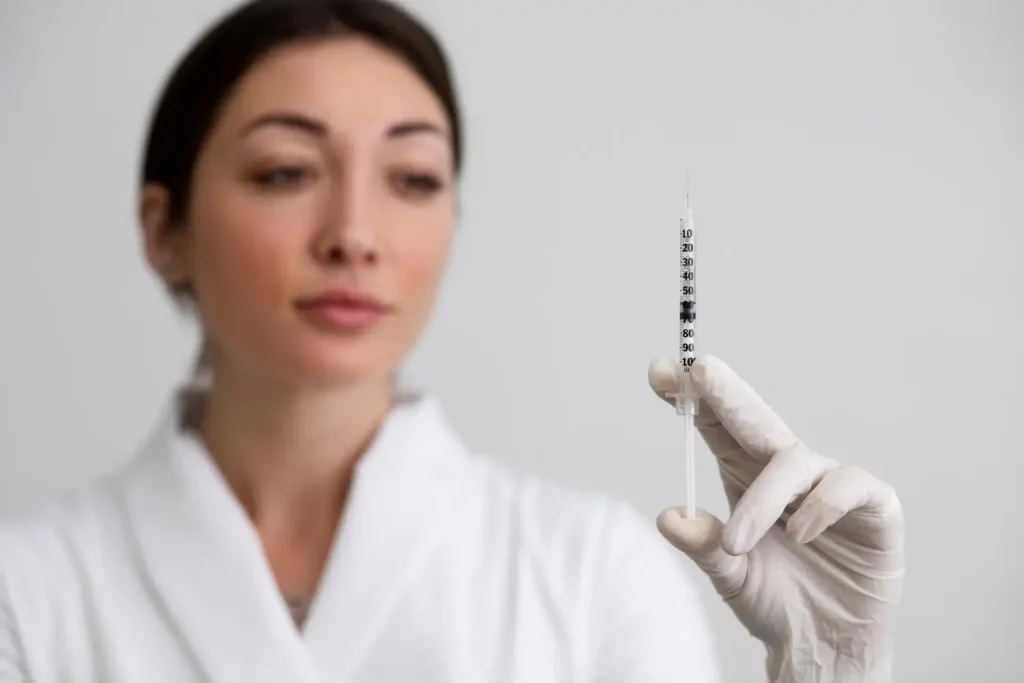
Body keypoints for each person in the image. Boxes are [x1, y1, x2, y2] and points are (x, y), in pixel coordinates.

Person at [0, 1, 905, 681]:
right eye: (286, 170)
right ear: (165, 229)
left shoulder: (593, 573)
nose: (355, 232)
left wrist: (831, 665)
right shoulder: (27, 596)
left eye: (413, 176)